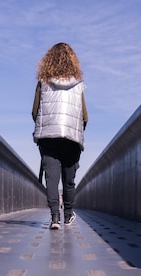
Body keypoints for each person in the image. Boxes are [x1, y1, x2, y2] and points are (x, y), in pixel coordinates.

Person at [32, 43, 88, 230]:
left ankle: (54, 217)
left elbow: (34, 111)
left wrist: (43, 128)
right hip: (71, 138)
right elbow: (84, 117)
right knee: (69, 180)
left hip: (48, 137)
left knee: (52, 178)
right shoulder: (78, 85)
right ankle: (68, 214)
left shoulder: (43, 82)